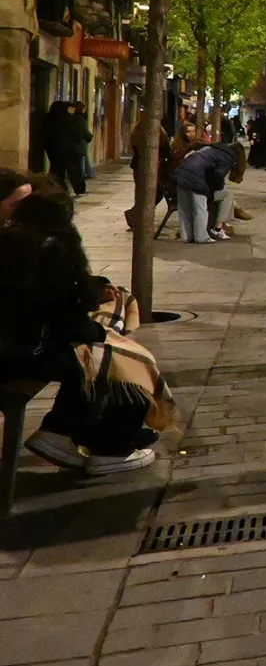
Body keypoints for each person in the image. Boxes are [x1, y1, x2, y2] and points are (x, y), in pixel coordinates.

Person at [0, 188, 178, 474]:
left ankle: (91, 433)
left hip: (17, 348)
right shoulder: (48, 248)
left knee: (104, 348)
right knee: (116, 357)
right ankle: (105, 446)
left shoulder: (17, 243)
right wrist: (98, 330)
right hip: (18, 354)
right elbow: (61, 317)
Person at [172, 141, 246, 243]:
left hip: (180, 175)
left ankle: (186, 237)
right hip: (196, 179)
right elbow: (218, 175)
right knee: (200, 209)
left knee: (184, 209)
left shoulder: (213, 149)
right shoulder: (227, 158)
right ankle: (202, 237)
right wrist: (212, 189)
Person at [42, 101, 88, 196]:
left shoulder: (48, 119)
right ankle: (79, 189)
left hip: (54, 150)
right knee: (74, 171)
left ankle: (59, 188)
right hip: (70, 150)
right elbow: (79, 133)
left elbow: (45, 135)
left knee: (57, 171)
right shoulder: (71, 119)